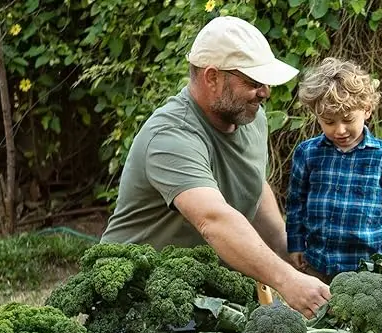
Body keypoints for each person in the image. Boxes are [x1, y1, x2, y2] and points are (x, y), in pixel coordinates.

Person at [98, 16, 330, 317]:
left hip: (206, 292)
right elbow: (213, 219)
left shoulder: (250, 117)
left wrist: (292, 252)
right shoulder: (171, 136)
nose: (265, 93)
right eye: (253, 82)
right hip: (139, 296)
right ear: (212, 77)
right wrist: (287, 281)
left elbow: (252, 187)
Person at [284, 57, 382, 281]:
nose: (340, 130)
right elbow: (296, 204)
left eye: (347, 119)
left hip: (369, 269)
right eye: (329, 121)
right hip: (318, 265)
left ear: (367, 110)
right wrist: (295, 244)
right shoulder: (307, 153)